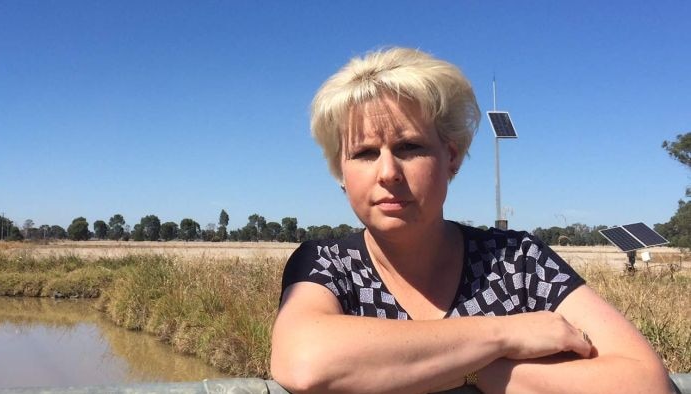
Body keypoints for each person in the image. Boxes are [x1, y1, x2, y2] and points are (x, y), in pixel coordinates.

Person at [270, 47, 669, 393]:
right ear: (341, 172)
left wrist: (487, 375)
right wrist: (500, 337)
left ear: (452, 157)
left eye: (410, 147)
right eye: (364, 153)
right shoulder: (326, 264)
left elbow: (645, 383)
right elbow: (304, 360)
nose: (388, 172)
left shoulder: (518, 262)